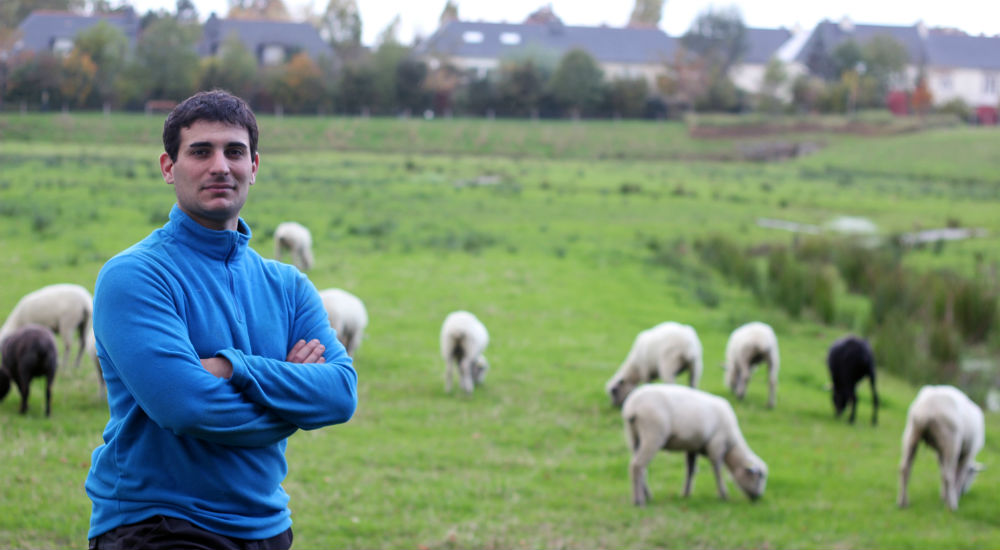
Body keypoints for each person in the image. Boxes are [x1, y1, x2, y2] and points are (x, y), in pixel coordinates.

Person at [85, 90, 358, 550]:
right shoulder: (134, 276)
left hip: (268, 526)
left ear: (254, 166)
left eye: (234, 151)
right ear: (168, 168)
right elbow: (186, 406)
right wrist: (291, 400)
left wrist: (232, 368)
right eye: (200, 151)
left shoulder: (288, 285)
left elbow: (340, 395)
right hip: (159, 526)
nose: (220, 166)